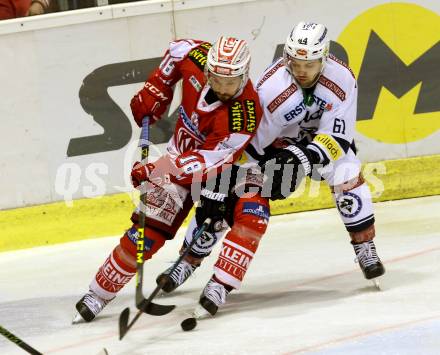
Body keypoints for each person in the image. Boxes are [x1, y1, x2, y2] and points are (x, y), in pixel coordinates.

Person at [158, 21, 386, 316]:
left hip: (315, 146)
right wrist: (224, 182)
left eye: (309, 63)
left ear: (324, 58)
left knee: (347, 174)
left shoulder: (343, 79)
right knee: (229, 198)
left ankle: (365, 246)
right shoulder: (271, 88)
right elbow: (249, 147)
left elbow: (339, 136)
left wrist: (302, 158)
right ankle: (188, 260)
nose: (301, 69)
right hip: (271, 150)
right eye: (295, 61)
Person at [73, 36, 263, 323]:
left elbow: (208, 160)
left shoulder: (244, 113)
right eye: (217, 80)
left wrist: (157, 170)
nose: (224, 89)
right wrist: (157, 87)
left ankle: (213, 280)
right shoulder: (197, 57)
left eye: (232, 82)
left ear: (245, 75)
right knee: (146, 232)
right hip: (179, 157)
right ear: (209, 71)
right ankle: (98, 293)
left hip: (224, 173)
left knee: (240, 217)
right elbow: (179, 48)